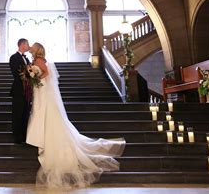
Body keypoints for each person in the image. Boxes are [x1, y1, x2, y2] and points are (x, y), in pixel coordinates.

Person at [26, 42, 125, 188]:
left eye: (33, 46)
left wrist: (36, 78)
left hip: (44, 91)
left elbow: (47, 72)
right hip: (40, 91)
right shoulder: (34, 60)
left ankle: (49, 139)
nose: (31, 48)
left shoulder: (40, 60)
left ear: (38, 49)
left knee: (49, 114)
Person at [9, 38, 31, 144]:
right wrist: (27, 76)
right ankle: (17, 137)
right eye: (27, 44)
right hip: (18, 90)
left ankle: (24, 135)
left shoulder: (27, 59)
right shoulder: (14, 58)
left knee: (25, 113)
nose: (28, 46)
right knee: (17, 114)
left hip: (27, 91)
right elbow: (16, 74)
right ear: (22, 45)